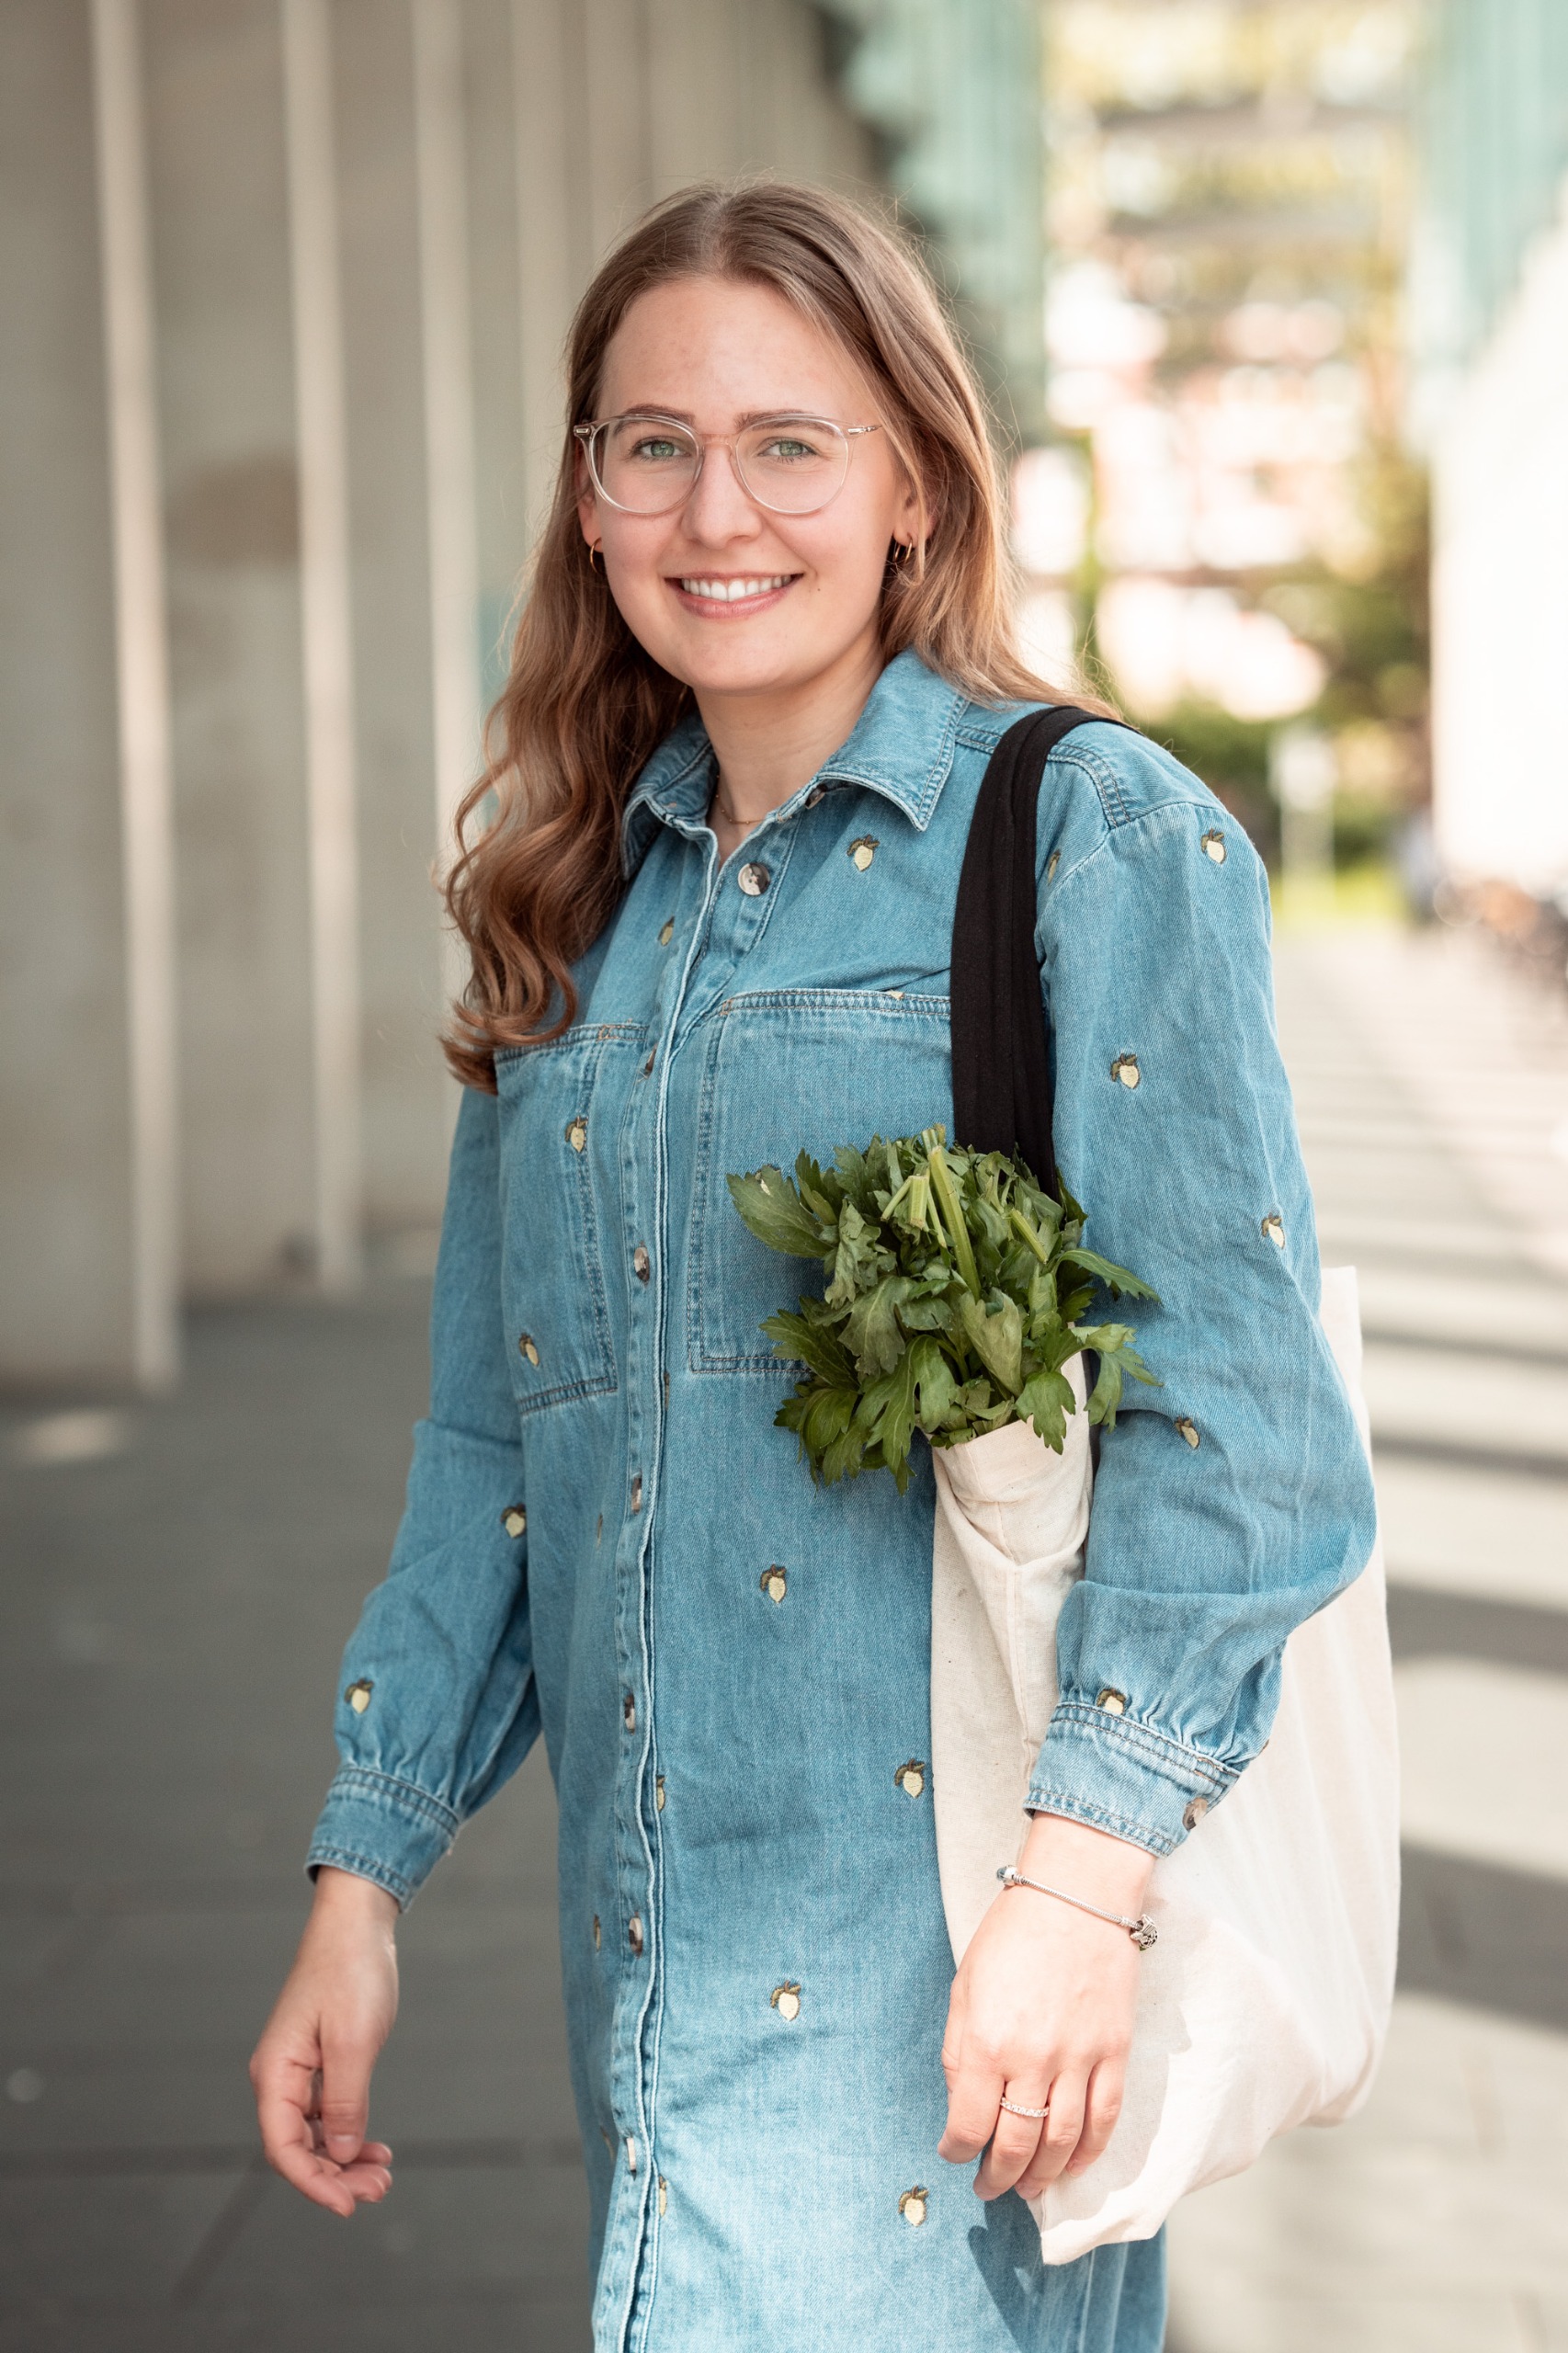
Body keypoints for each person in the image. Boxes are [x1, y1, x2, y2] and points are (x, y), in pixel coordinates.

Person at [250, 180, 1375, 2351]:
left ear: (912, 490)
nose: (714, 506)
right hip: (659, 1995)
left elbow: (1244, 1440)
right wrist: (362, 1868)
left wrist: (1079, 1884)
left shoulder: (1089, 834)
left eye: (792, 439)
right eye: (649, 443)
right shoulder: (569, 917)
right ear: (586, 503)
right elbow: (498, 1444)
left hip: (960, 1990)